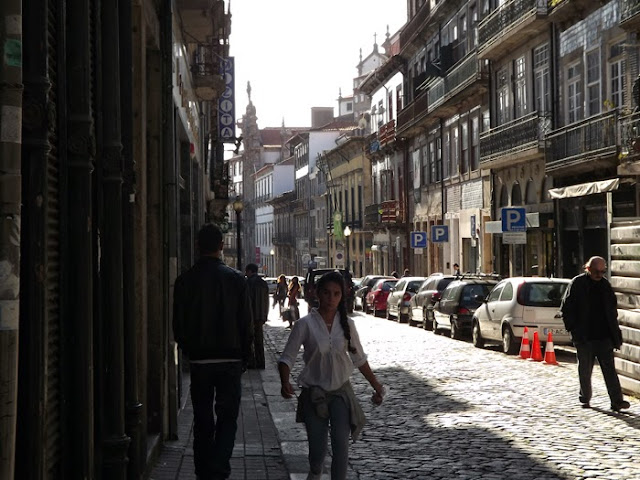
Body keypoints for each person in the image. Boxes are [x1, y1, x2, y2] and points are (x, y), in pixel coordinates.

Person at [278, 272, 385, 480]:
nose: (331, 298)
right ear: (317, 294)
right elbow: (287, 358)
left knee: (341, 446)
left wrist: (377, 386)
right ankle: (315, 473)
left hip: (340, 394)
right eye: (326, 293)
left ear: (341, 296)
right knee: (317, 453)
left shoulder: (347, 325)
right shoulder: (305, 324)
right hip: (314, 394)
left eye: (336, 294)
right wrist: (285, 382)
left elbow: (359, 359)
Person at [172, 223, 253, 480]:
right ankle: (219, 467)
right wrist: (245, 355)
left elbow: (178, 324)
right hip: (230, 359)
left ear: (197, 246)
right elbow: (246, 323)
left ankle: (203, 471)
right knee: (228, 418)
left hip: (200, 361)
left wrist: (189, 349)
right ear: (221, 246)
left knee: (202, 419)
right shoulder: (236, 280)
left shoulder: (184, 281)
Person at [560, 256, 630, 411]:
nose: (599, 274)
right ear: (588, 269)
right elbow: (566, 308)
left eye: (602, 271)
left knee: (610, 370)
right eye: (596, 271)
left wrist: (615, 335)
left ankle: (617, 401)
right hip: (584, 336)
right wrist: (573, 329)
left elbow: (612, 312)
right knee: (585, 369)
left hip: (604, 336)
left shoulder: (605, 286)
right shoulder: (578, 283)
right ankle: (585, 397)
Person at [245, 263, 269, 369]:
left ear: (250, 271)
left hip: (251, 315)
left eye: (247, 272)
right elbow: (266, 301)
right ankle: (261, 361)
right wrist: (265, 315)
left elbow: (247, 301)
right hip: (261, 315)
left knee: (250, 339)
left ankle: (252, 362)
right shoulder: (263, 283)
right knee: (259, 339)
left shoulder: (248, 283)